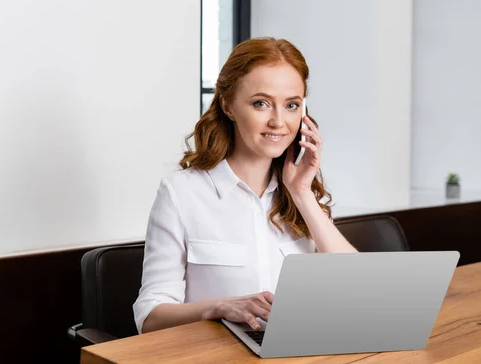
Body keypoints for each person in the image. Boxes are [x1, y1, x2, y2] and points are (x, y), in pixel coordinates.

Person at [133, 37, 357, 335]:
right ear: (228, 105)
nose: (279, 121)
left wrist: (302, 194)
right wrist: (219, 308)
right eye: (261, 103)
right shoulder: (181, 194)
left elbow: (355, 288)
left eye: (292, 105)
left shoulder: (301, 193)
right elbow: (149, 319)